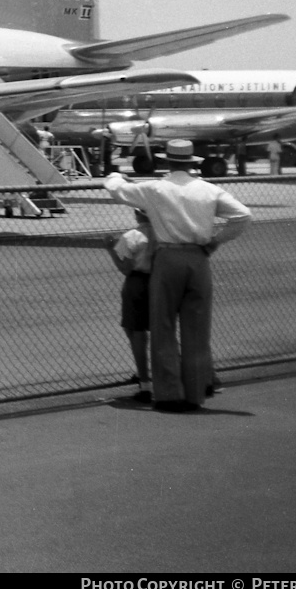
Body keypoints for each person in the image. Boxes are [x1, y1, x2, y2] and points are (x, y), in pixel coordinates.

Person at [104, 139, 252, 412]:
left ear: (166, 161)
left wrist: (114, 175)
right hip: (198, 258)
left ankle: (170, 394)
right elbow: (243, 215)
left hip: (168, 258)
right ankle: (195, 393)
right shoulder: (209, 190)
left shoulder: (154, 189)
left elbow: (118, 191)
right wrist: (216, 241)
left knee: (163, 327)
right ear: (192, 163)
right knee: (197, 329)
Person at [106, 209, 154, 402]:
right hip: (160, 281)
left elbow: (126, 269)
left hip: (137, 283)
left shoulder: (132, 236)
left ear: (137, 215)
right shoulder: (165, 233)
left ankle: (145, 383)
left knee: (135, 331)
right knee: (160, 330)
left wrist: (110, 249)